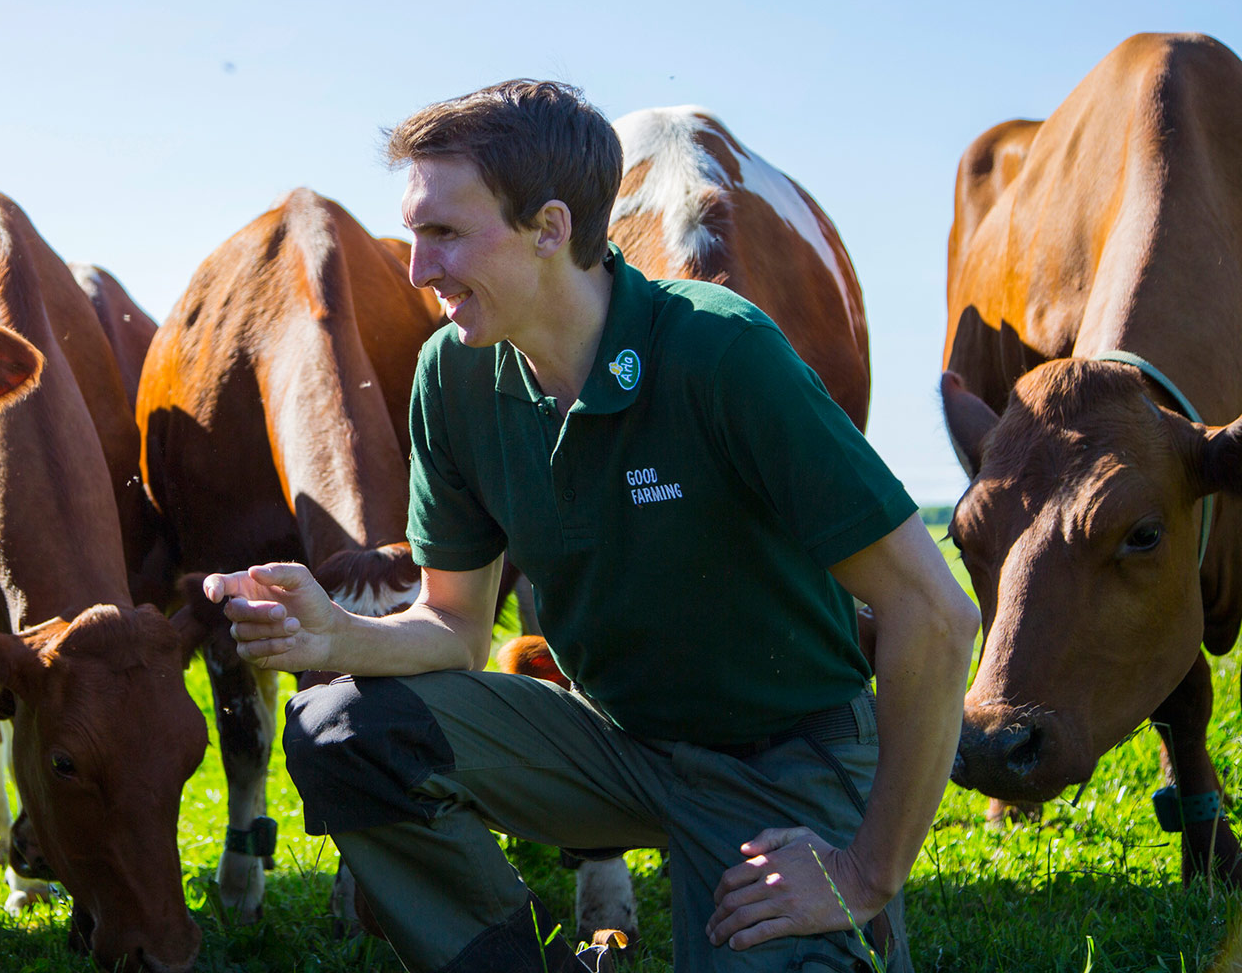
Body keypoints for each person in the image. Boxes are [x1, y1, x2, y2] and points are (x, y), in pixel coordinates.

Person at [204, 80, 978, 972]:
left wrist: (865, 871)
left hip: (782, 759)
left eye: (445, 234)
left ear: (550, 227)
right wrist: (333, 632)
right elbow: (455, 628)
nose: (417, 270)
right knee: (341, 728)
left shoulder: (723, 354)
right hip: (613, 743)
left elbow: (937, 615)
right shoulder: (452, 379)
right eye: (415, 233)